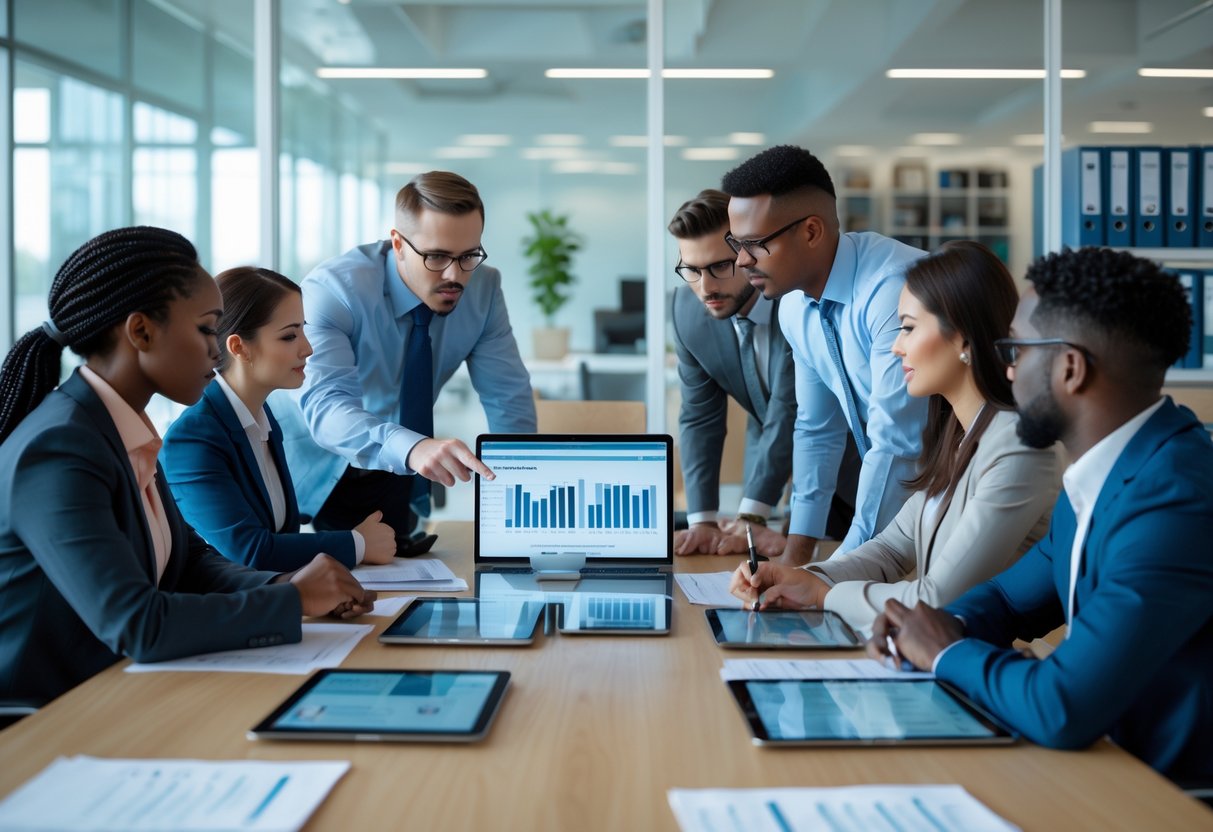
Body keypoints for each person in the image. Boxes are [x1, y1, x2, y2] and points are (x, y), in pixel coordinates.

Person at [869, 247, 1213, 783]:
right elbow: (1010, 598)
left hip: (1171, 799)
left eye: (1015, 350)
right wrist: (931, 625)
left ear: (1070, 368)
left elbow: (1062, 706)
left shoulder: (1175, 500)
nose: (1005, 370)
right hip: (1112, 770)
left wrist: (943, 651)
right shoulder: (1106, 472)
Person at [0, 227, 374, 707]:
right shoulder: (59, 448)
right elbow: (138, 623)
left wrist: (284, 584)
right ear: (141, 332)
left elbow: (190, 563)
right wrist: (293, 601)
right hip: (53, 716)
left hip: (124, 691)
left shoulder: (121, 428)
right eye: (205, 330)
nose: (217, 352)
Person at [730, 242, 1061, 629]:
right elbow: (890, 549)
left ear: (964, 339)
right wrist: (806, 577)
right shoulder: (958, 436)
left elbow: (937, 598)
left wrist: (822, 594)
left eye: (908, 327)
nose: (895, 346)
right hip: (933, 651)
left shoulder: (1017, 449)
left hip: (981, 665)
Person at [274, 171, 537, 551]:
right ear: (397, 244)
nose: (455, 275)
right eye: (437, 256)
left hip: (394, 460)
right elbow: (327, 408)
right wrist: (414, 448)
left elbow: (508, 396)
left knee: (395, 584)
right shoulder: (333, 291)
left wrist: (522, 486)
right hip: (306, 456)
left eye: (468, 256)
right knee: (296, 582)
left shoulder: (483, 290)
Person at [719, 146, 929, 565]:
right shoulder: (796, 306)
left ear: (811, 231)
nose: (741, 261)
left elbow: (896, 443)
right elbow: (817, 430)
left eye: (754, 244)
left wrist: (830, 574)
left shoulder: (894, 290)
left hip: (974, 492)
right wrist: (795, 560)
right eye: (735, 243)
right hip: (913, 507)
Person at [161, 267, 397, 572]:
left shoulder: (262, 417)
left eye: (303, 330)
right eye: (289, 336)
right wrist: (358, 544)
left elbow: (281, 536)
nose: (308, 348)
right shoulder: (193, 438)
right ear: (239, 347)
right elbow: (249, 552)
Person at [667, 188, 796, 556]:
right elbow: (699, 418)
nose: (705, 287)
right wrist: (703, 522)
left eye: (720, 267)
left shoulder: (792, 299)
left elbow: (790, 407)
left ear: (747, 253)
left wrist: (752, 516)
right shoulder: (686, 312)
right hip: (773, 456)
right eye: (691, 270)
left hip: (851, 463)